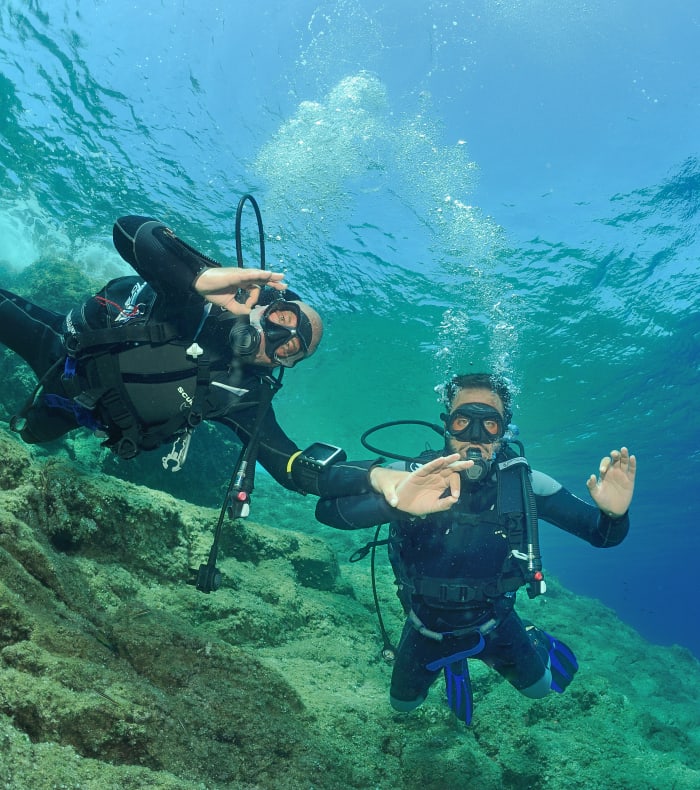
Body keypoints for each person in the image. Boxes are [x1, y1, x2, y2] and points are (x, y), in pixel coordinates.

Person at [0, 214, 404, 502]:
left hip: (76, 415)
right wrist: (198, 275)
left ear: (283, 365)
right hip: (59, 351)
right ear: (268, 304)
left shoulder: (245, 396)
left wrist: (377, 477)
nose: (277, 337)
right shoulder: (194, 302)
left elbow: (291, 467)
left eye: (291, 347)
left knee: (29, 437)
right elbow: (128, 230)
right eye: (284, 319)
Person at [315, 372, 636, 725]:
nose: (476, 437)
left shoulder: (525, 482)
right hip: (425, 625)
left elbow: (601, 536)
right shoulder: (409, 476)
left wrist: (613, 514)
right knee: (402, 706)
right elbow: (327, 510)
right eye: (463, 420)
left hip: (494, 622)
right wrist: (395, 501)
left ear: (505, 430)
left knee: (540, 690)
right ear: (447, 425)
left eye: (490, 425)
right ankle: (453, 662)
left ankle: (530, 633)